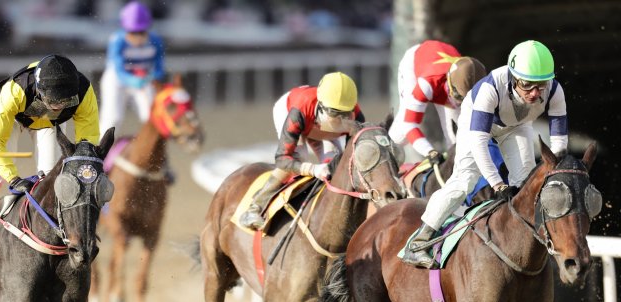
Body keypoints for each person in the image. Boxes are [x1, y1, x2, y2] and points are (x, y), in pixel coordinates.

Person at [402, 40, 567, 268]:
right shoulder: (489, 88)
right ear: (513, 76)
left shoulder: (556, 91)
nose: (535, 93)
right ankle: (418, 241)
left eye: (541, 85)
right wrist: (497, 184)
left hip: (517, 126)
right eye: (527, 85)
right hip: (478, 123)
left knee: (526, 183)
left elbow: (559, 145)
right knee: (464, 182)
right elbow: (480, 144)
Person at [0, 54, 100, 224]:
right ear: (39, 90)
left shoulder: (84, 92)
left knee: (51, 176)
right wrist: (14, 179)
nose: (57, 106)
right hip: (14, 119)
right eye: (52, 101)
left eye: (65, 101)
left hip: (49, 123)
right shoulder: (14, 91)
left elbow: (88, 141)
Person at [239, 71, 365, 231]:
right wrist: (312, 169)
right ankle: (254, 207)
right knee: (299, 159)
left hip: (316, 122)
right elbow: (282, 158)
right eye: (334, 113)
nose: (340, 120)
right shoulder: (298, 111)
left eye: (345, 114)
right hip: (294, 112)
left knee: (335, 163)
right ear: (321, 105)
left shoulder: (356, 114)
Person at [389, 40, 487, 165]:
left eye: (466, 99)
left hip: (442, 61)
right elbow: (409, 125)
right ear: (449, 83)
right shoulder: (428, 84)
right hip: (415, 63)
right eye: (458, 96)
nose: (459, 103)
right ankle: (385, 152)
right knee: (401, 134)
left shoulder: (478, 86)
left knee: (454, 137)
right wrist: (429, 152)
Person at [99, 1, 165, 134]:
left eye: (141, 32)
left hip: (143, 78)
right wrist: (133, 80)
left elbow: (159, 67)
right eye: (133, 32)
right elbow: (118, 71)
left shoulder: (156, 40)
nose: (138, 37)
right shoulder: (117, 40)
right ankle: (101, 149)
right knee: (113, 118)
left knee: (151, 117)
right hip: (117, 81)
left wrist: (152, 77)